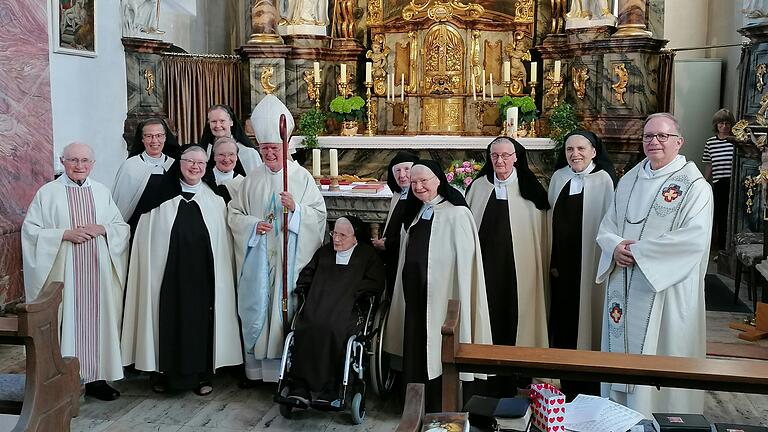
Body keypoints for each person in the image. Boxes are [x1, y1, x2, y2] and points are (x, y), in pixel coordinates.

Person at [596, 113, 713, 417]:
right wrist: (614, 247)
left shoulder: (695, 186)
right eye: (648, 136)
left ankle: (662, 415)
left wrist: (640, 253)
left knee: (661, 351)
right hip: (624, 282)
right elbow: (608, 225)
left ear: (679, 142)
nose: (654, 142)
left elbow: (694, 240)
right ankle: (617, 414)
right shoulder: (631, 179)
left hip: (665, 292)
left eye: (662, 136)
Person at [121, 145, 243, 396]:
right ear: (180, 163)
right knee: (162, 318)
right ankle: (161, 373)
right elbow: (145, 241)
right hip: (165, 278)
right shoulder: (157, 197)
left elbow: (224, 243)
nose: (195, 167)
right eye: (190, 162)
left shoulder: (216, 199)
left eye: (200, 163)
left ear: (206, 166)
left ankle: (202, 375)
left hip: (203, 280)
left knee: (202, 324)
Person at [228, 94, 327, 384]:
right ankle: (259, 370)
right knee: (260, 305)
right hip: (259, 257)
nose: (269, 154)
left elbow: (318, 215)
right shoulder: (252, 178)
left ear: (286, 147)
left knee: (285, 308)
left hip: (289, 258)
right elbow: (234, 214)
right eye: (264, 149)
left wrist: (296, 211)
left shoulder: (301, 178)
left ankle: (286, 368)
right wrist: (252, 225)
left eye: (274, 148)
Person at [22, 142, 130, 401]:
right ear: (62, 161)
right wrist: (63, 234)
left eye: (84, 161)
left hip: (98, 274)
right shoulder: (48, 193)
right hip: (65, 274)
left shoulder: (102, 191)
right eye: (73, 160)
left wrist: (103, 229)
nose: (79, 166)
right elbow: (30, 232)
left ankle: (97, 380)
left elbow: (120, 226)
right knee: (66, 322)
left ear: (92, 164)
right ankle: (64, 381)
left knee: (99, 322)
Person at [383, 160, 492, 413]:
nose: (419, 187)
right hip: (417, 299)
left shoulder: (458, 214)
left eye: (424, 181)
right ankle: (414, 405)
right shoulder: (417, 211)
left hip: (445, 298)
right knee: (418, 347)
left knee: (440, 349)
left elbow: (465, 267)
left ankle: (440, 405)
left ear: (439, 181)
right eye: (414, 183)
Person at [465, 137, 549, 396]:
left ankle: (519, 372)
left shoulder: (531, 189)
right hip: (485, 270)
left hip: (519, 272)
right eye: (494, 156)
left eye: (505, 155)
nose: (499, 161)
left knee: (518, 317)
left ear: (516, 157)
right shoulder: (478, 187)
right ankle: (483, 372)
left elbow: (542, 235)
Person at [286, 216, 385, 405]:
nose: (336, 239)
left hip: (350, 309)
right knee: (305, 328)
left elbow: (375, 284)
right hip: (318, 305)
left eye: (342, 235)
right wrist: (304, 287)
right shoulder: (324, 253)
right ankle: (300, 386)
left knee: (334, 330)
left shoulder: (367, 256)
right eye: (334, 233)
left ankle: (332, 388)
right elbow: (307, 275)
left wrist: (354, 291)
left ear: (355, 237)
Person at [547, 131, 616, 399]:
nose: (575, 154)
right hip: (562, 265)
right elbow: (550, 219)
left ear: (594, 151)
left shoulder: (604, 180)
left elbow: (611, 223)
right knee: (564, 321)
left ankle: (591, 384)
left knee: (589, 320)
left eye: (580, 148)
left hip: (591, 263)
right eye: (569, 149)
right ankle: (566, 383)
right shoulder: (559, 177)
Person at [112, 117, 179, 233]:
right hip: (137, 228)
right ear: (142, 139)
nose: (154, 141)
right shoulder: (130, 166)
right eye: (149, 136)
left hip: (168, 229)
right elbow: (120, 206)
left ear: (165, 137)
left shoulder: (174, 165)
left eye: (159, 135)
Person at [372, 151, 419, 295]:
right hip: (393, 257)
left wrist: (386, 244)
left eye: (406, 169)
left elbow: (414, 234)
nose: (402, 175)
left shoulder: (418, 196)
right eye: (397, 170)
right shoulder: (399, 195)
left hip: (408, 260)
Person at [702, 109, 735, 251]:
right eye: (721, 123)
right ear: (716, 125)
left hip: (734, 184)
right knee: (720, 217)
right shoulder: (710, 143)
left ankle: (732, 249)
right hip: (718, 183)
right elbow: (709, 164)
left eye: (727, 123)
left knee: (732, 216)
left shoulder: (736, 142)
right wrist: (704, 181)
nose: (724, 126)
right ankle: (721, 250)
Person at [199, 104, 262, 173]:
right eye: (214, 121)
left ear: (231, 122)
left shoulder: (248, 153)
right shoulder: (204, 151)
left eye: (222, 121)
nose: (218, 125)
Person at [208, 136, 246, 203]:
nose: (226, 159)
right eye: (221, 154)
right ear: (214, 156)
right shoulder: (204, 180)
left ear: (236, 157)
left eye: (231, 154)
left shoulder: (243, 183)